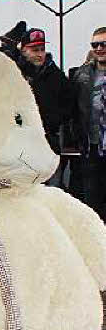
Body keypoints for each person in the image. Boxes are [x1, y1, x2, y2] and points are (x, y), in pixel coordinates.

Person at [14, 27, 76, 187]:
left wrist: (54, 119)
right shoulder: (14, 73)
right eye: (35, 49)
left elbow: (70, 103)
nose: (40, 53)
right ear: (24, 50)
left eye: (42, 49)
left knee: (53, 189)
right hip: (21, 144)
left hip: (49, 141)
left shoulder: (56, 75)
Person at [71, 26, 106, 220]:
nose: (99, 48)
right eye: (95, 44)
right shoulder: (82, 75)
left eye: (104, 44)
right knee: (92, 205)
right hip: (91, 147)